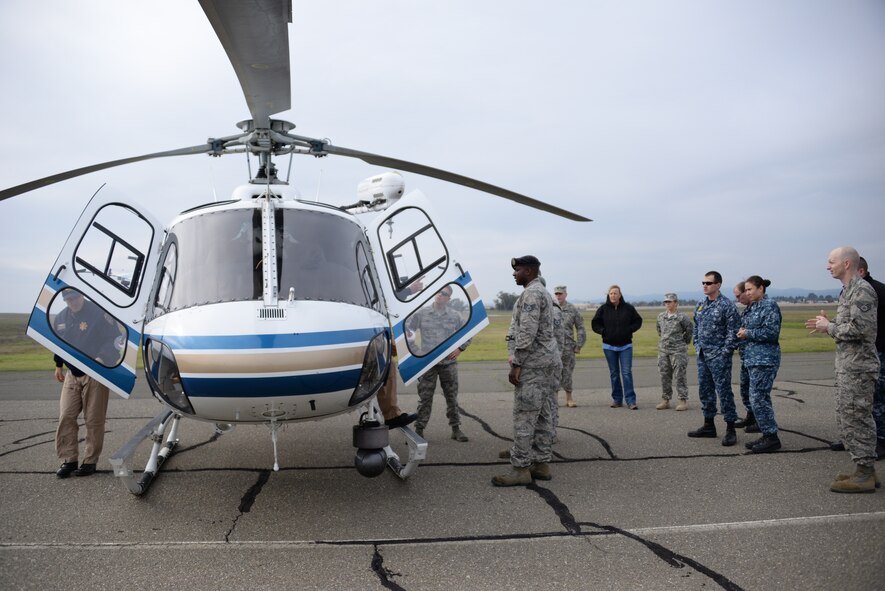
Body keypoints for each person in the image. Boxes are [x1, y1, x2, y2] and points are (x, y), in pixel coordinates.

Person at [806, 247, 879, 493]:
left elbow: (861, 330)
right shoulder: (847, 291)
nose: (828, 266)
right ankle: (862, 468)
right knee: (849, 418)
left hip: (859, 369)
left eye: (831, 262)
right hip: (849, 367)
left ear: (846, 263)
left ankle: (865, 473)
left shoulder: (862, 291)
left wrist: (830, 327)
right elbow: (849, 326)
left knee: (858, 418)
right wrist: (829, 325)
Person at [493, 255, 558, 486]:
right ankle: (541, 463)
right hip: (547, 362)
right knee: (542, 414)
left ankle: (520, 468)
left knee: (525, 415)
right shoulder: (544, 293)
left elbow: (527, 331)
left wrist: (517, 363)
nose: (514, 273)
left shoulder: (531, 293)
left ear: (529, 271)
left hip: (532, 364)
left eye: (517, 269)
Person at [52, 289, 121, 478]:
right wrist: (58, 365)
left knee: (93, 419)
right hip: (72, 373)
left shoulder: (99, 314)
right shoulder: (60, 318)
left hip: (95, 373)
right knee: (66, 415)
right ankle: (69, 460)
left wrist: (102, 357)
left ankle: (90, 461)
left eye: (74, 297)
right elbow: (59, 343)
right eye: (67, 299)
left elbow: (115, 340)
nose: (72, 302)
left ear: (82, 295)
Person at [408, 286, 471, 442]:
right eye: (439, 292)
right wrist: (417, 350)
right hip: (427, 363)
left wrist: (460, 348)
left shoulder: (455, 315)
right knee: (425, 398)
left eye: (444, 294)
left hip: (448, 364)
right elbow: (408, 331)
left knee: (452, 398)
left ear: (448, 299)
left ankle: (456, 429)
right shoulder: (421, 313)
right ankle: (419, 430)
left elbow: (468, 332)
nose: (440, 295)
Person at [688, 271, 741, 446]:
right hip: (703, 355)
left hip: (719, 357)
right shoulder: (701, 305)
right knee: (705, 391)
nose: (705, 285)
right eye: (703, 282)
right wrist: (696, 344)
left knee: (724, 392)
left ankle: (730, 429)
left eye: (709, 283)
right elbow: (696, 326)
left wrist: (724, 352)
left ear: (718, 285)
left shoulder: (727, 305)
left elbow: (733, 332)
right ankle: (708, 425)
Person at [737, 276, 783, 453]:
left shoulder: (769, 305)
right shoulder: (753, 306)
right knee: (755, 397)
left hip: (764, 359)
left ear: (761, 288)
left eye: (749, 289)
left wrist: (748, 333)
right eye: (746, 290)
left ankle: (772, 437)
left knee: (759, 397)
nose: (747, 293)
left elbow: (771, 332)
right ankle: (766, 434)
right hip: (752, 358)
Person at [591, 285, 643, 409]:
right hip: (609, 347)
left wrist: (629, 330)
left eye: (615, 293)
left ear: (620, 295)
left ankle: (631, 400)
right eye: (611, 293)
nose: (613, 295)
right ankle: (617, 399)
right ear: (608, 295)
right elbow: (595, 323)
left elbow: (638, 321)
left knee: (626, 373)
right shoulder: (603, 309)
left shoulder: (628, 308)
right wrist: (603, 331)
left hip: (626, 346)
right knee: (614, 373)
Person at [858, 257, 885, 460]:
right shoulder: (851, 292)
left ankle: (881, 440)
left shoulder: (877, 290)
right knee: (858, 399)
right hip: (860, 354)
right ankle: (858, 438)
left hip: (879, 351)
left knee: (878, 398)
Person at [655, 293, 693, 411]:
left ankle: (683, 400)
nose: (667, 304)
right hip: (663, 350)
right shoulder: (661, 316)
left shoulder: (682, 317)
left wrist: (683, 342)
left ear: (676, 303)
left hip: (678, 350)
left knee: (679, 375)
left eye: (670, 302)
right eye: (666, 302)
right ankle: (666, 400)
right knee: (664, 375)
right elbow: (659, 330)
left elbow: (689, 330)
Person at [732, 281, 760, 433]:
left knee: (757, 392)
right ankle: (751, 415)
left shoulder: (763, 307)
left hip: (757, 357)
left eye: (738, 296)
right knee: (745, 389)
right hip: (746, 356)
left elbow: (770, 333)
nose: (738, 299)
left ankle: (760, 421)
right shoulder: (748, 310)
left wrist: (746, 333)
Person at [554, 286, 586, 408]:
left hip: (568, 347)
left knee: (567, 372)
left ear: (565, 295)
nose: (558, 296)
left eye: (560, 294)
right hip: (553, 348)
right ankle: (554, 399)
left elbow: (580, 327)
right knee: (554, 373)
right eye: (556, 293)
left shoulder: (572, 309)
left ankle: (569, 397)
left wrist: (579, 344)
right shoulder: (549, 308)